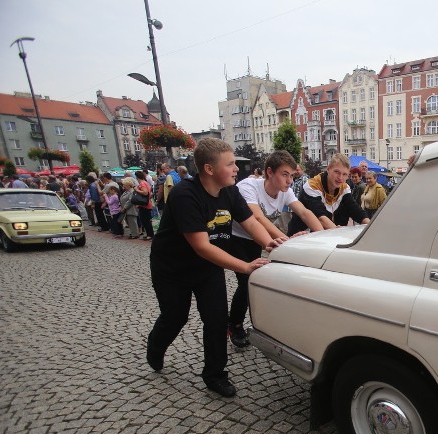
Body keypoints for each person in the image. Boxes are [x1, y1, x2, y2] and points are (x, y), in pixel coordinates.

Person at [146, 138, 282, 397]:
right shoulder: (184, 194)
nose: (236, 169)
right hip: (172, 269)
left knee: (217, 320)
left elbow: (251, 222)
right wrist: (245, 266)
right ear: (209, 169)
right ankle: (155, 345)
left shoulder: (230, 191)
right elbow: (201, 246)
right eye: (230, 164)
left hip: (207, 269)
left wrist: (270, 244)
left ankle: (215, 375)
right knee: (176, 317)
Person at [226, 150, 324, 348]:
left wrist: (323, 236)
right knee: (246, 281)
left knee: (258, 281)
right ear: (269, 172)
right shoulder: (248, 187)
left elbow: (304, 212)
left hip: (257, 239)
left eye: (291, 175)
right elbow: (258, 218)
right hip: (236, 237)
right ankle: (234, 325)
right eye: (285, 174)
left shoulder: (285, 191)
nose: (289, 180)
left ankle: (261, 323)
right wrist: (285, 240)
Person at [287, 154, 370, 235]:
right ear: (328, 169)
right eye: (337, 172)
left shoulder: (344, 188)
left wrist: (371, 227)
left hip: (326, 237)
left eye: (345, 174)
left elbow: (355, 210)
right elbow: (320, 217)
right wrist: (340, 234)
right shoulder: (312, 185)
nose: (340, 177)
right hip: (300, 237)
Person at [134, 171, 155, 240]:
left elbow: (145, 193)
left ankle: (150, 234)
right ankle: (149, 234)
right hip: (146, 204)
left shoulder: (142, 183)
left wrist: (137, 190)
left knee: (145, 220)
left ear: (137, 177)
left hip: (144, 205)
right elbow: (150, 194)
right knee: (146, 220)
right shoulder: (146, 182)